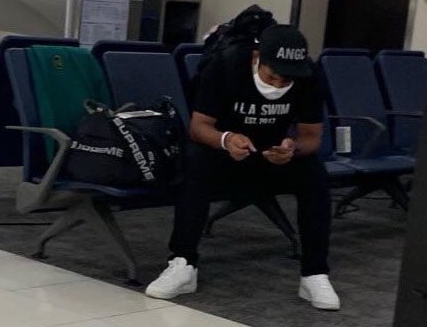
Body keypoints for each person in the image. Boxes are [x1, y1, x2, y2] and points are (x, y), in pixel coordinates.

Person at [145, 24, 340, 311]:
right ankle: (183, 264)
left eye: (285, 81)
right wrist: (226, 140)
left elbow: (311, 137)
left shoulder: (309, 76)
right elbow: (199, 128)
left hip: (274, 154)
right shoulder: (224, 66)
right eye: (272, 77)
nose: (277, 85)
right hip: (226, 152)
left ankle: (314, 273)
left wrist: (291, 148)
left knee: (313, 173)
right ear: (256, 57)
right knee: (195, 162)